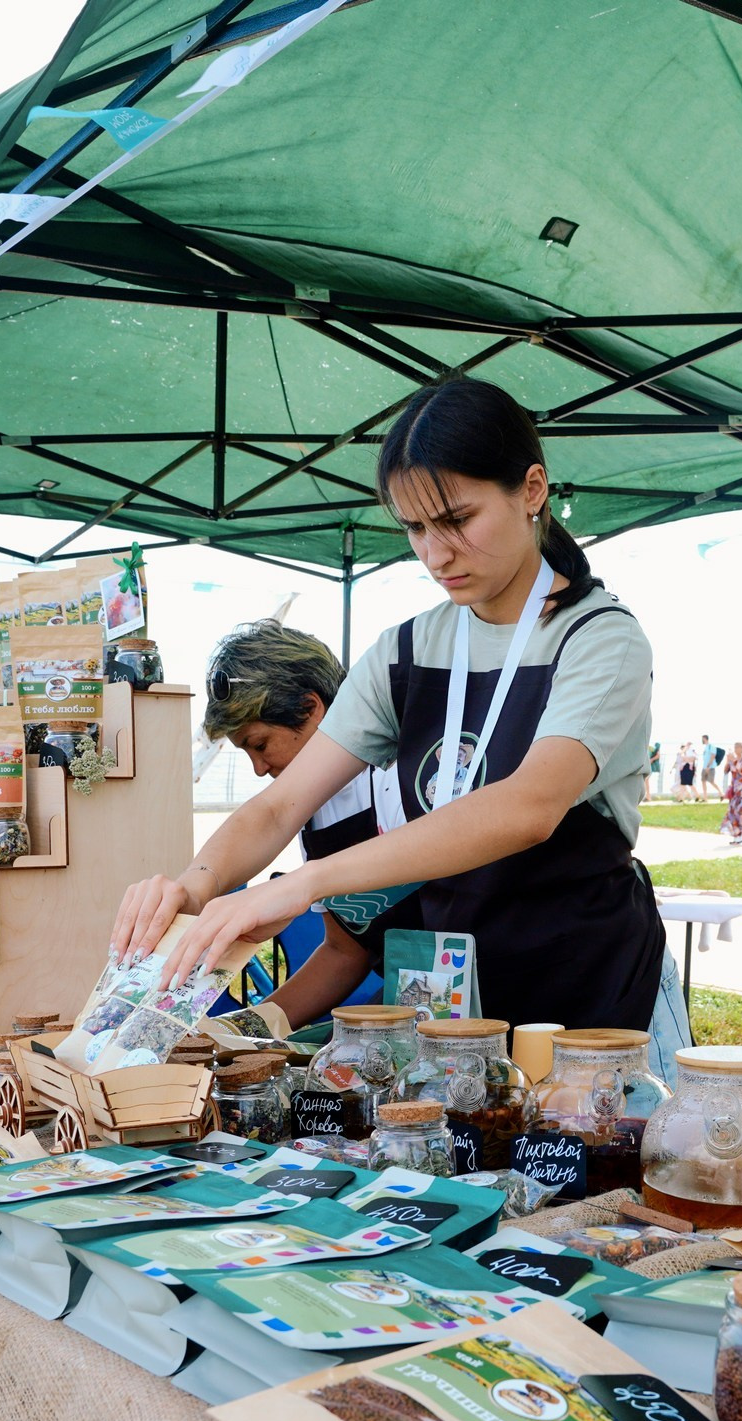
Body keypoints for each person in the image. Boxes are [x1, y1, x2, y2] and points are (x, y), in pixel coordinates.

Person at [113, 375, 680, 1051]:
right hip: (458, 1017)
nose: (436, 553)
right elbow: (277, 807)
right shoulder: (408, 651)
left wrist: (303, 885)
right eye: (414, 527)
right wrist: (192, 889)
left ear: (531, 491)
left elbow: (527, 809)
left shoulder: (599, 639)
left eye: (458, 520)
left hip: (595, 1006)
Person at [200, 618, 419, 1028]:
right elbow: (343, 951)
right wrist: (246, 1028)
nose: (259, 769)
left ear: (311, 708)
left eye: (260, 745)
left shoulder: (398, 772)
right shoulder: (312, 812)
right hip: (415, 1004)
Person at [721, 740, 742, 844]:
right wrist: (727, 761)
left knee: (741, 811)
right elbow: (725, 771)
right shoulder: (732, 760)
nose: (736, 750)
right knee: (732, 812)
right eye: (735, 748)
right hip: (734, 789)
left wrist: (734, 760)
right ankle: (736, 835)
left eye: (738, 747)